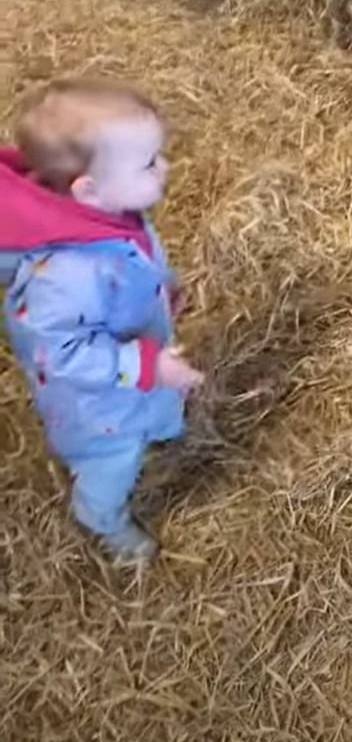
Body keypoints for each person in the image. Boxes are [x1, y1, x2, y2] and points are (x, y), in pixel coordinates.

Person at [0, 78, 203, 561]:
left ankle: (158, 424)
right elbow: (60, 353)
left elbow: (141, 255)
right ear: (88, 188)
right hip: (98, 411)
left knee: (156, 404)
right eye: (149, 163)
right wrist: (149, 366)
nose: (165, 167)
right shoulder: (67, 273)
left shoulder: (111, 217)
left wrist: (165, 286)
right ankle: (102, 520)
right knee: (112, 466)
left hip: (131, 371)